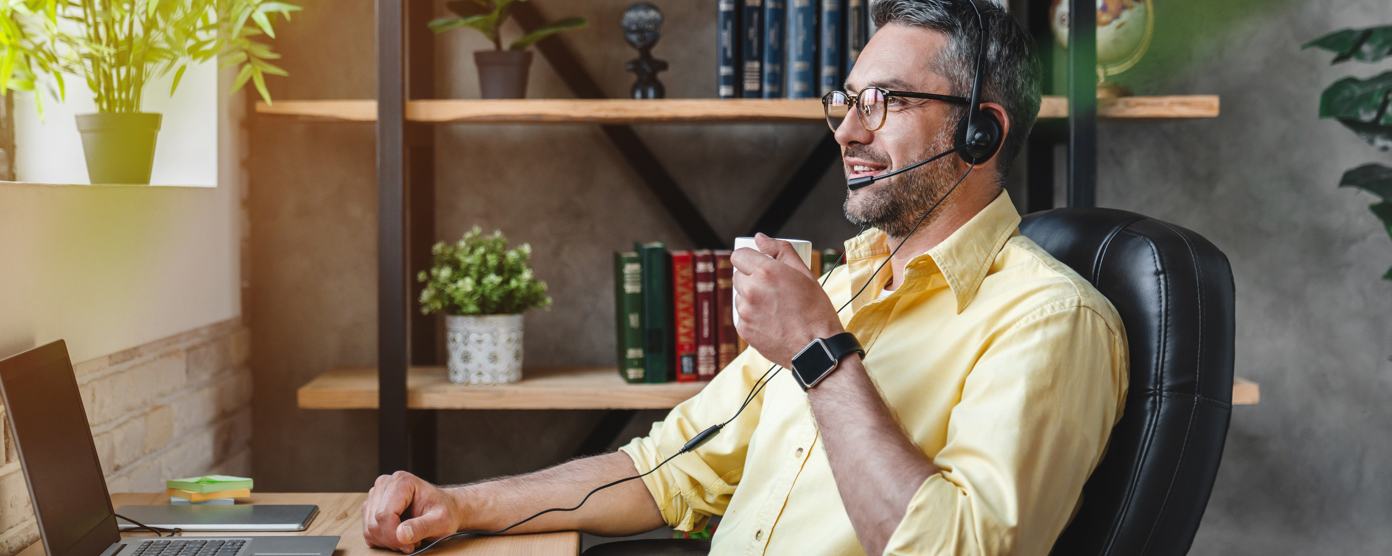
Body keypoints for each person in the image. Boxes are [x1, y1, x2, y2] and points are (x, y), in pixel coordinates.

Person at [360, 0, 1128, 554]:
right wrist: (458, 505)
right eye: (845, 103)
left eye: (883, 103)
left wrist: (821, 353)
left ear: (980, 129)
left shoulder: (1049, 322)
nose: (848, 131)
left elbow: (952, 549)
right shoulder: (848, 283)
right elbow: (667, 469)